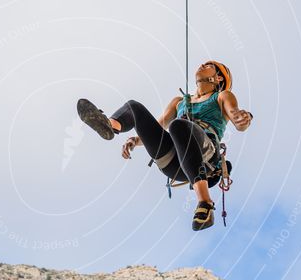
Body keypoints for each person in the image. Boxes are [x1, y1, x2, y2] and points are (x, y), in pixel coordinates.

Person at [77, 60, 253, 230]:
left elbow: (236, 116)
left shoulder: (221, 96)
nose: (202, 65)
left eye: (209, 66)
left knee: (178, 125)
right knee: (134, 106)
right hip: (172, 161)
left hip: (204, 154)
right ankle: (110, 125)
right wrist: (135, 140)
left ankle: (205, 203)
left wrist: (242, 120)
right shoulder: (179, 102)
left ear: (219, 78)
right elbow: (159, 125)